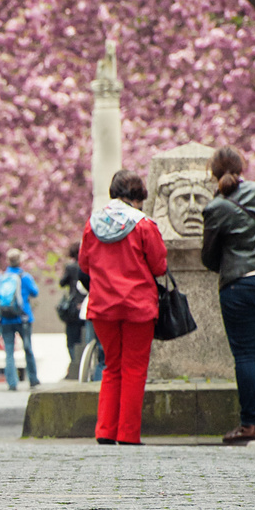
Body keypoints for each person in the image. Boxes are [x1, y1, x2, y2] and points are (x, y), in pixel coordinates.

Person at [79, 170, 167, 445]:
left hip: (103, 306)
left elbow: (84, 264)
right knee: (134, 368)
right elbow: (159, 265)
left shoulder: (93, 224)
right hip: (137, 306)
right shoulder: (143, 224)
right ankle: (128, 434)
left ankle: (105, 430)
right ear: (138, 196)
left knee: (111, 366)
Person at [203, 146, 255, 443]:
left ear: (212, 172)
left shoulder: (216, 207)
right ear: (242, 167)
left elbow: (208, 257)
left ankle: (248, 424)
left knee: (245, 355)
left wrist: (228, 265)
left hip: (240, 284)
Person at [0, 247, 40, 391]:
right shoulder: (24, 277)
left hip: (5, 319)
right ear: (20, 261)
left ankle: (12, 382)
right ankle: (33, 379)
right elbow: (35, 292)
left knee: (9, 351)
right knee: (27, 348)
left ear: (8, 261)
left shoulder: (1, 277)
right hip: (23, 317)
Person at [59, 242, 84, 376]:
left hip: (74, 307)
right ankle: (83, 366)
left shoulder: (70, 267)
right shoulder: (87, 266)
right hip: (86, 304)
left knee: (72, 339)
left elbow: (62, 282)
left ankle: (75, 365)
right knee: (86, 337)